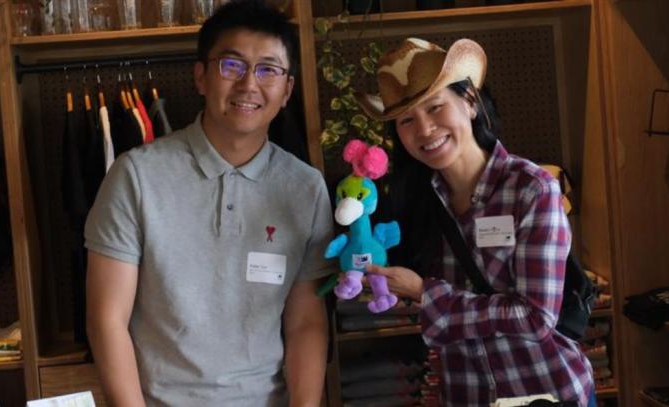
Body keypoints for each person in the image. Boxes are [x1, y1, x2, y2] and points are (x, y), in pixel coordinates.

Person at [84, 2, 333, 406]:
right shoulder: (136, 176)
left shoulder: (305, 188)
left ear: (287, 90)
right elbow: (107, 320)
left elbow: (306, 322)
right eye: (232, 66)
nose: (249, 84)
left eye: (269, 69)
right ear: (201, 76)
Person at [356, 38, 595, 406]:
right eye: (407, 120)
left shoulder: (532, 189)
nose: (424, 129)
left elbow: (535, 317)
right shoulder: (417, 201)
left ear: (469, 102)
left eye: (435, 107)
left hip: (547, 391)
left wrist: (426, 293)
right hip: (467, 395)